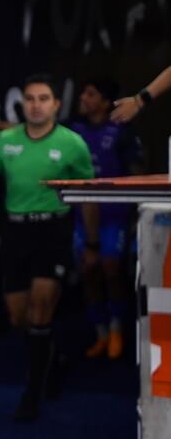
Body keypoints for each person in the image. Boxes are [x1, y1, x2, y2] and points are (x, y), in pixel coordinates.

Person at [0, 74, 96, 422]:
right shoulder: (7, 141)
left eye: (43, 98)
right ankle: (53, 360)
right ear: (22, 104)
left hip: (53, 231)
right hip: (16, 233)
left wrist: (93, 243)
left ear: (56, 104)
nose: (36, 104)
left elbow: (88, 198)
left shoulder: (73, 144)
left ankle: (32, 393)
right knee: (19, 317)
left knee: (42, 312)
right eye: (29, 98)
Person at [69, 78, 141, 360]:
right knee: (89, 271)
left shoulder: (121, 132)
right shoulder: (73, 131)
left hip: (114, 215)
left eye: (90, 93)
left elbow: (137, 172)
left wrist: (137, 212)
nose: (83, 98)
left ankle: (116, 330)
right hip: (83, 215)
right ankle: (99, 332)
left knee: (112, 269)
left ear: (103, 102)